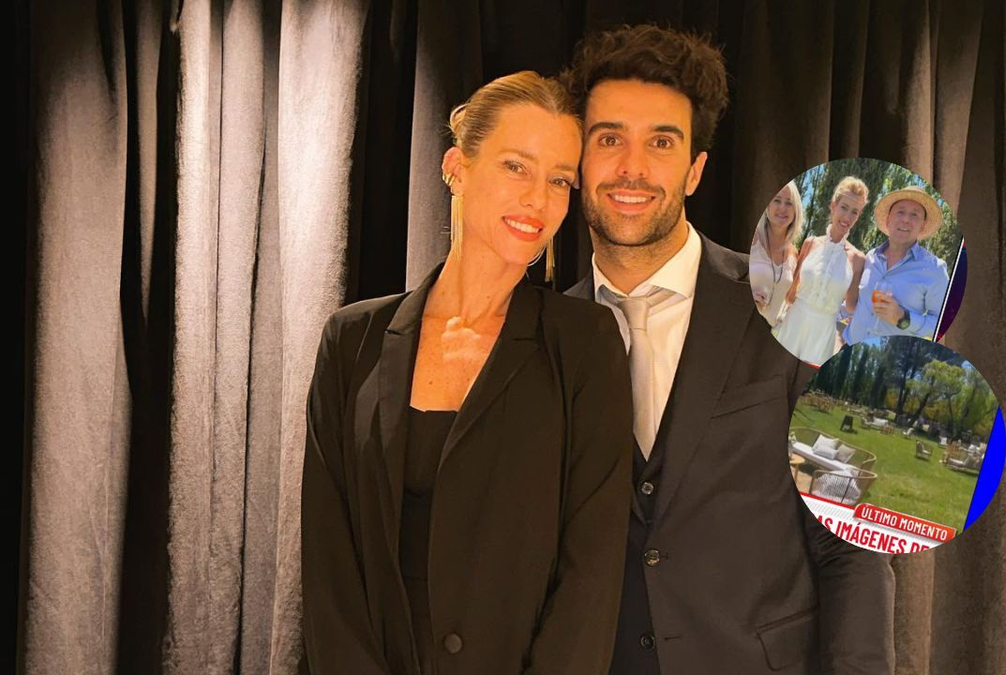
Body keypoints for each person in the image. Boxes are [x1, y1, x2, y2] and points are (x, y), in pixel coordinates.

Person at [561, 25, 895, 675]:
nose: (632, 167)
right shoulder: (548, 333)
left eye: (662, 142)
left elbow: (852, 542)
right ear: (578, 161)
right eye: (609, 139)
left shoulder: (792, 308)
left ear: (695, 170)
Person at [301, 71, 633, 674]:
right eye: (516, 167)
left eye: (559, 180)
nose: (538, 200)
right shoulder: (352, 340)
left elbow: (592, 572)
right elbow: (329, 566)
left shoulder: (585, 344)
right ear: (457, 167)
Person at [774, 176, 869, 365]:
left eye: (855, 212)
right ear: (833, 206)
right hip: (793, 324)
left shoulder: (858, 259)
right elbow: (791, 292)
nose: (848, 217)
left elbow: (852, 306)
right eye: (844, 207)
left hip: (823, 334)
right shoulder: (810, 243)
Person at [842, 185, 950, 345]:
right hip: (849, 347)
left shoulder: (935, 269)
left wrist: (903, 318)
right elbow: (859, 304)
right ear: (888, 219)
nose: (906, 219)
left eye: (914, 214)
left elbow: (943, 324)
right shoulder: (871, 257)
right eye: (900, 212)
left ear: (922, 225)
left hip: (888, 358)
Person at [748, 181, 803, 326]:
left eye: (789, 203)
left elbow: (791, 298)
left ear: (796, 210)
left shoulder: (794, 254)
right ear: (767, 205)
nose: (782, 208)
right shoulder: (753, 239)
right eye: (777, 200)